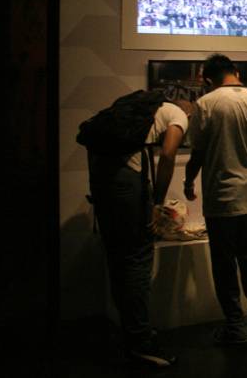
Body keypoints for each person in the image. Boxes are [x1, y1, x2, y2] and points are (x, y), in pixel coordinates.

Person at [87, 96, 190, 367]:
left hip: (102, 177)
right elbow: (168, 154)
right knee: (137, 258)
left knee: (118, 257)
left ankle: (132, 330)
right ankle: (141, 342)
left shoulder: (140, 107)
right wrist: (157, 202)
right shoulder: (178, 113)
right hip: (127, 182)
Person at [183, 54, 247, 345]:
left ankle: (235, 327)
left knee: (224, 263)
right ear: (236, 71)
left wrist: (188, 180)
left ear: (207, 79)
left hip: (221, 198)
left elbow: (197, 153)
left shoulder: (207, 105)